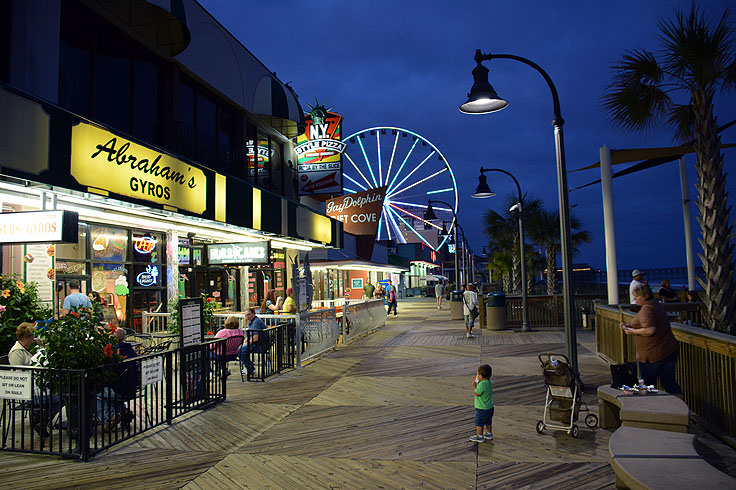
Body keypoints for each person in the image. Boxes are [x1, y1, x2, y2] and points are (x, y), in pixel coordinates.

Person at [620, 284, 682, 394]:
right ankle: (679, 404)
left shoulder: (647, 309)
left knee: (648, 385)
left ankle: (652, 408)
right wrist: (632, 325)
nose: (635, 299)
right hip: (668, 350)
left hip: (652, 355)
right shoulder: (655, 305)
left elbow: (650, 330)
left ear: (646, 296)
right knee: (669, 382)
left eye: (637, 297)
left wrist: (632, 331)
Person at [9, 322, 62, 438]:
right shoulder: (17, 352)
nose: (34, 338)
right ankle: (41, 419)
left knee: (59, 396)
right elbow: (18, 374)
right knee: (61, 398)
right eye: (32, 336)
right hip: (27, 390)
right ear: (25, 337)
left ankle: (40, 417)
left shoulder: (29, 348)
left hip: (38, 387)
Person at [469, 364, 494, 443]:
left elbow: (477, 393)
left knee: (479, 422)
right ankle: (489, 434)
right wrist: (478, 382)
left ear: (481, 376)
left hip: (482, 408)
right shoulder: (488, 382)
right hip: (489, 407)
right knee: (488, 421)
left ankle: (480, 436)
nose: (476, 376)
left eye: (477, 374)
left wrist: (474, 386)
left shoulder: (482, 384)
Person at [238, 308, 266, 376]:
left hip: (260, 345)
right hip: (257, 344)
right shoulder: (252, 322)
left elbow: (256, 338)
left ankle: (250, 368)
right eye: (246, 315)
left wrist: (247, 343)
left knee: (240, 350)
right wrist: (246, 340)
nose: (247, 316)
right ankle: (249, 367)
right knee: (241, 349)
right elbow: (251, 335)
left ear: (254, 314)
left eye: (249, 314)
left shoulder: (256, 322)